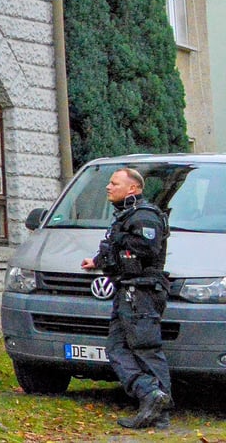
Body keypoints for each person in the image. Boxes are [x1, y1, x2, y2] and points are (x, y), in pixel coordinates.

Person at [81, 168, 172, 429]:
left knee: (146, 349)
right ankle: (153, 403)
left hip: (141, 292)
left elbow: (147, 247)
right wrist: (97, 261)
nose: (108, 187)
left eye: (114, 183)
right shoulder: (127, 215)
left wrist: (121, 237)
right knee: (117, 348)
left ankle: (155, 402)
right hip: (128, 291)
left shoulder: (145, 215)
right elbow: (117, 251)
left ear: (133, 188)